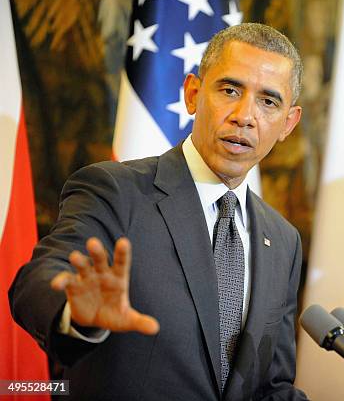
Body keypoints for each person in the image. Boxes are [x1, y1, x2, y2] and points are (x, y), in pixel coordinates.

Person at [9, 23, 308, 400]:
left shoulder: (283, 239)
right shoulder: (115, 190)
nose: (245, 116)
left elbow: (273, 385)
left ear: (288, 123)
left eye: (268, 101)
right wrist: (74, 312)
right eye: (230, 90)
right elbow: (37, 280)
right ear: (193, 94)